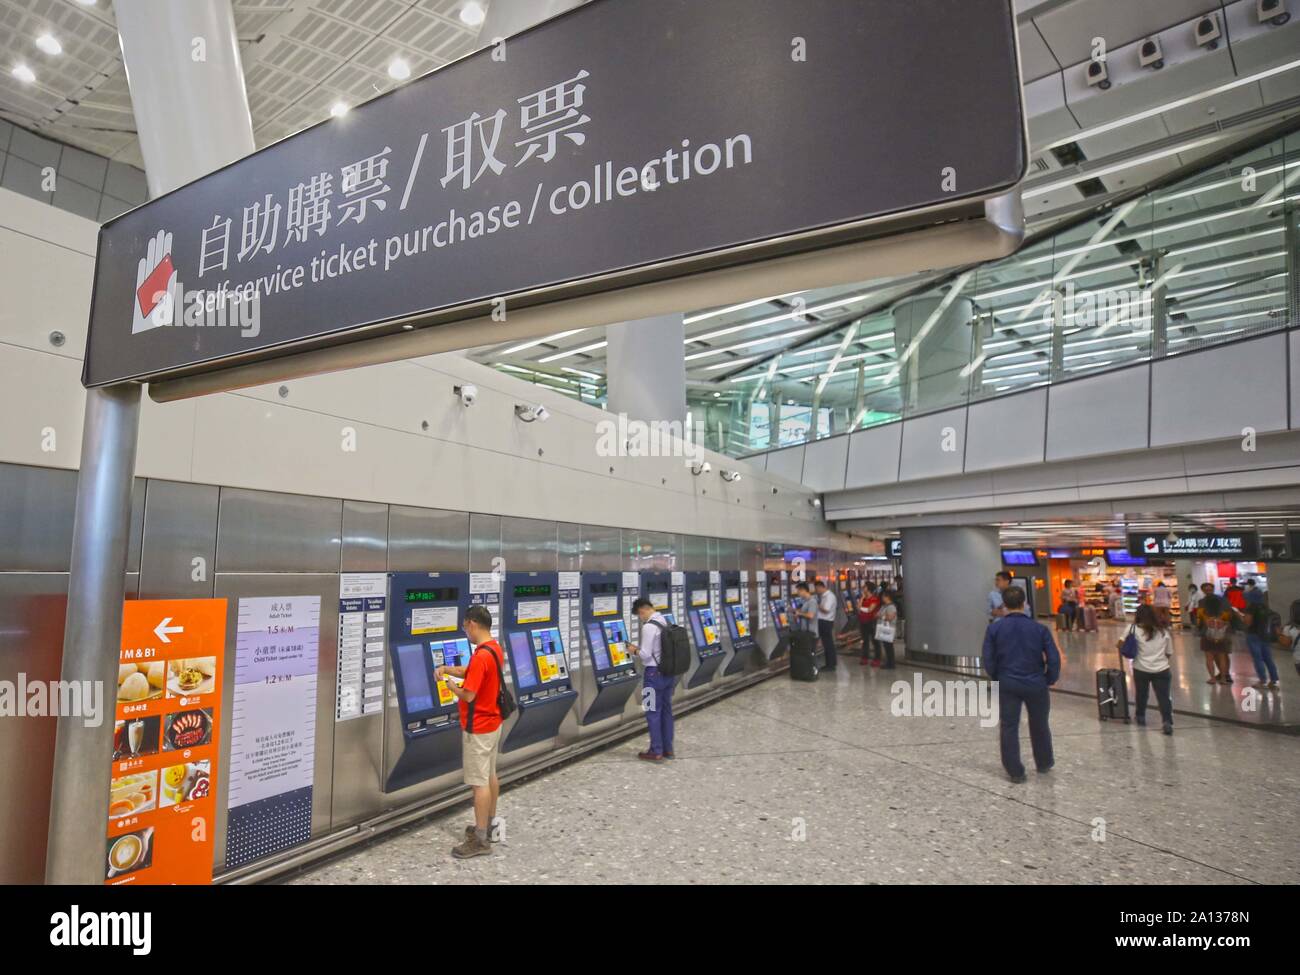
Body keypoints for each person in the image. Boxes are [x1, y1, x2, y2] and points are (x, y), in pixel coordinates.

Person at [435, 603, 504, 859]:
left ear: (472, 624)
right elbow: (475, 672)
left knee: (478, 783)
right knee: (490, 776)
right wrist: (449, 668)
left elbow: (469, 693)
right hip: (493, 722)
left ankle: (480, 839)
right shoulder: (493, 649)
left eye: (465, 627)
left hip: (478, 727)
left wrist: (450, 685)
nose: (466, 631)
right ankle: (490, 823)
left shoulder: (481, 654)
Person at [981, 586, 1060, 783]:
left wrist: (997, 676)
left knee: (1009, 725)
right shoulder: (1039, 629)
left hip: (1008, 682)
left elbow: (988, 659)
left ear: (1004, 605)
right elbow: (1053, 658)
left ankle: (1015, 770)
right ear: (1024, 604)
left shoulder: (994, 628)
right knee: (1040, 723)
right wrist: (1049, 678)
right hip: (1036, 682)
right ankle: (1044, 761)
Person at [630, 596, 675, 760]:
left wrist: (633, 650)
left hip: (652, 675)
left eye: (639, 616)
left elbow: (645, 654)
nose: (640, 619)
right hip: (668, 673)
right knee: (666, 711)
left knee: (651, 712)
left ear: (642, 610)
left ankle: (656, 750)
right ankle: (667, 749)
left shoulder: (649, 627)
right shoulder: (665, 621)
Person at [1122, 604, 1174, 734]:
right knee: (1164, 697)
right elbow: (1169, 652)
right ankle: (1167, 721)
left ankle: (1140, 716)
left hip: (1140, 668)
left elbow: (1119, 643)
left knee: (1142, 694)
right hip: (1162, 669)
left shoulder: (1132, 628)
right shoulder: (1164, 631)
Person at [1241, 601, 1281, 691]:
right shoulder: (1265, 607)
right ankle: (1274, 680)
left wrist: (1239, 616)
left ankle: (1262, 680)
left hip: (1253, 635)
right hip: (1266, 636)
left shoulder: (1251, 606)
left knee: (1257, 658)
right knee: (1268, 658)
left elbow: (1247, 622)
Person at [1196, 590, 1233, 685]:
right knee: (1222, 657)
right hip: (1221, 637)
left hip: (1207, 637)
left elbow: (1199, 623)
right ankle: (1224, 678)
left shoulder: (1203, 612)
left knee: (1209, 658)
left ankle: (1212, 678)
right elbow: (1228, 622)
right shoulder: (1223, 614)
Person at [813, 578, 838, 671]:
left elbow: (826, 609)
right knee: (827, 643)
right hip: (824, 622)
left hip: (825, 622)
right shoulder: (824, 596)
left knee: (828, 644)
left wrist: (816, 604)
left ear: (820, 587)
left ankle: (830, 665)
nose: (816, 591)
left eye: (816, 589)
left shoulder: (829, 596)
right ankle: (830, 663)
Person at [857, 582, 881, 667]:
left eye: (865, 587)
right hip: (863, 622)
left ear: (869, 589)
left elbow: (870, 610)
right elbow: (858, 607)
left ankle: (877, 659)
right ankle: (864, 658)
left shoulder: (874, 599)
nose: (863, 588)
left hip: (872, 622)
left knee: (875, 641)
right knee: (864, 640)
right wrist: (862, 598)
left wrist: (861, 608)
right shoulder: (863, 598)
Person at [875, 591, 898, 669]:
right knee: (886, 646)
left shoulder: (891, 607)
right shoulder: (884, 606)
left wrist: (881, 616)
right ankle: (889, 662)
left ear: (887, 597)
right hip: (883, 629)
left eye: (883, 596)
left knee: (889, 647)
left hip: (888, 629)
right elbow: (877, 614)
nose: (882, 598)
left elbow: (890, 618)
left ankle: (891, 664)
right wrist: (880, 615)